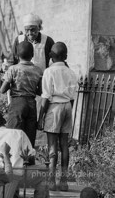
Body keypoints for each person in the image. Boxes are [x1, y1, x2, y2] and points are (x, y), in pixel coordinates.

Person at [38, 42, 77, 191]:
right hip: (68, 106)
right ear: (65, 56)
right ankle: (64, 181)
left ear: (50, 57)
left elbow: (46, 96)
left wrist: (41, 117)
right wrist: (67, 111)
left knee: (52, 146)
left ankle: (51, 181)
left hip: (54, 107)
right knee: (64, 145)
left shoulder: (49, 71)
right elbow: (73, 96)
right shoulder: (71, 72)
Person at [0, 110, 49, 198]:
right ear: (4, 121)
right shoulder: (19, 134)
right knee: (43, 173)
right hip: (17, 177)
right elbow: (30, 156)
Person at [0, 41, 43, 148]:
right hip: (31, 104)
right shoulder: (38, 70)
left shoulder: (13, 69)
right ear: (32, 55)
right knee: (29, 134)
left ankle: (14, 158)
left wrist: (13, 83)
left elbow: (2, 90)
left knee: (14, 133)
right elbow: (40, 91)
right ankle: (28, 159)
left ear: (17, 55)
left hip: (17, 103)